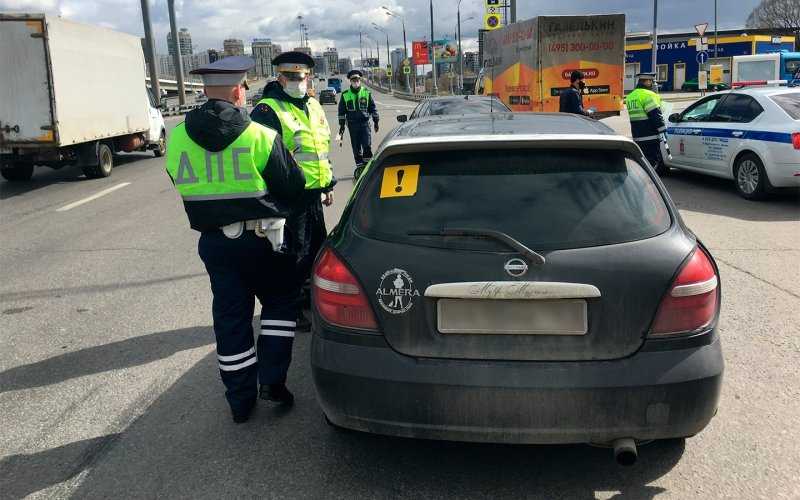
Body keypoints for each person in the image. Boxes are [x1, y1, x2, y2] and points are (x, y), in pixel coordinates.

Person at [164, 56, 306, 423]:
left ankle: (239, 400)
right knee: (280, 303)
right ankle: (272, 381)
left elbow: (177, 182)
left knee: (230, 318)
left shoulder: (177, 136)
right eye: (243, 88)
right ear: (236, 90)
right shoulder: (259, 134)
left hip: (216, 246)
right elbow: (292, 185)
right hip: (263, 241)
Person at [250, 51, 335, 331]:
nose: (299, 81)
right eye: (292, 77)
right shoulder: (267, 109)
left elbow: (320, 148)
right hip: (289, 197)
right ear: (280, 77)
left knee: (316, 250)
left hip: (313, 195)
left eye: (303, 76)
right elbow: (263, 158)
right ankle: (291, 308)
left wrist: (327, 184)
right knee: (292, 255)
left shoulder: (313, 104)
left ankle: (308, 299)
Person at [625, 72, 669, 175]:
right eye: (652, 81)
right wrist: (663, 130)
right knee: (651, 164)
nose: (653, 84)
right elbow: (655, 115)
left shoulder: (631, 96)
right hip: (651, 137)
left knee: (642, 162)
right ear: (647, 81)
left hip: (637, 136)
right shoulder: (648, 95)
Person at [337, 69, 379, 170]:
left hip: (365, 124)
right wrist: (341, 126)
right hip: (352, 125)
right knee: (356, 148)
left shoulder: (366, 93)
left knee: (367, 145)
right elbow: (341, 112)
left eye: (357, 79)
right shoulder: (345, 95)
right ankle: (360, 167)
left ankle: (367, 167)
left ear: (360, 80)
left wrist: (376, 121)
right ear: (350, 81)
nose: (356, 81)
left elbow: (372, 108)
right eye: (353, 79)